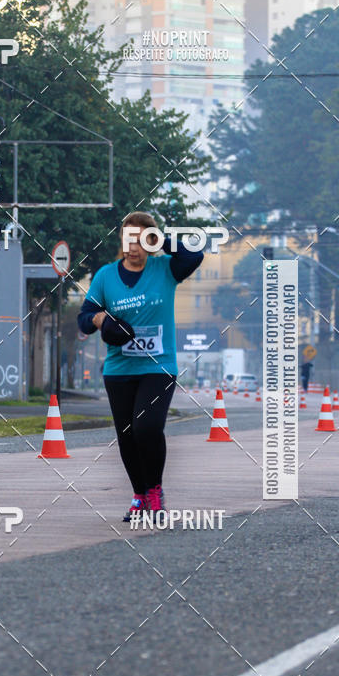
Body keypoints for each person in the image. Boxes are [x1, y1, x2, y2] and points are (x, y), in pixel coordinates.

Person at [77, 211, 203, 521]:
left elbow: (194, 256)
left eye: (141, 239)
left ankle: (155, 492)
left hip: (159, 366)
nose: (133, 247)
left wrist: (161, 239)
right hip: (119, 369)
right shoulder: (106, 275)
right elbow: (85, 317)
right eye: (128, 239)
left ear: (150, 241)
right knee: (127, 434)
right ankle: (139, 496)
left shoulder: (166, 270)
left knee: (147, 427)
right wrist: (101, 318)